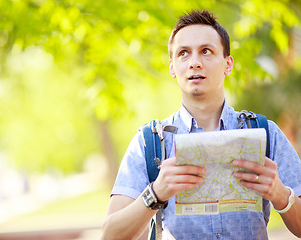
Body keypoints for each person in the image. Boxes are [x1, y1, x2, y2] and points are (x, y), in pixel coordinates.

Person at [101, 10, 301, 240]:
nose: (194, 63)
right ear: (172, 68)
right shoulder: (149, 143)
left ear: (228, 64)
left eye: (206, 51)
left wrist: (280, 194)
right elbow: (110, 235)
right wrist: (156, 193)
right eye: (183, 54)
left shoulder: (266, 134)